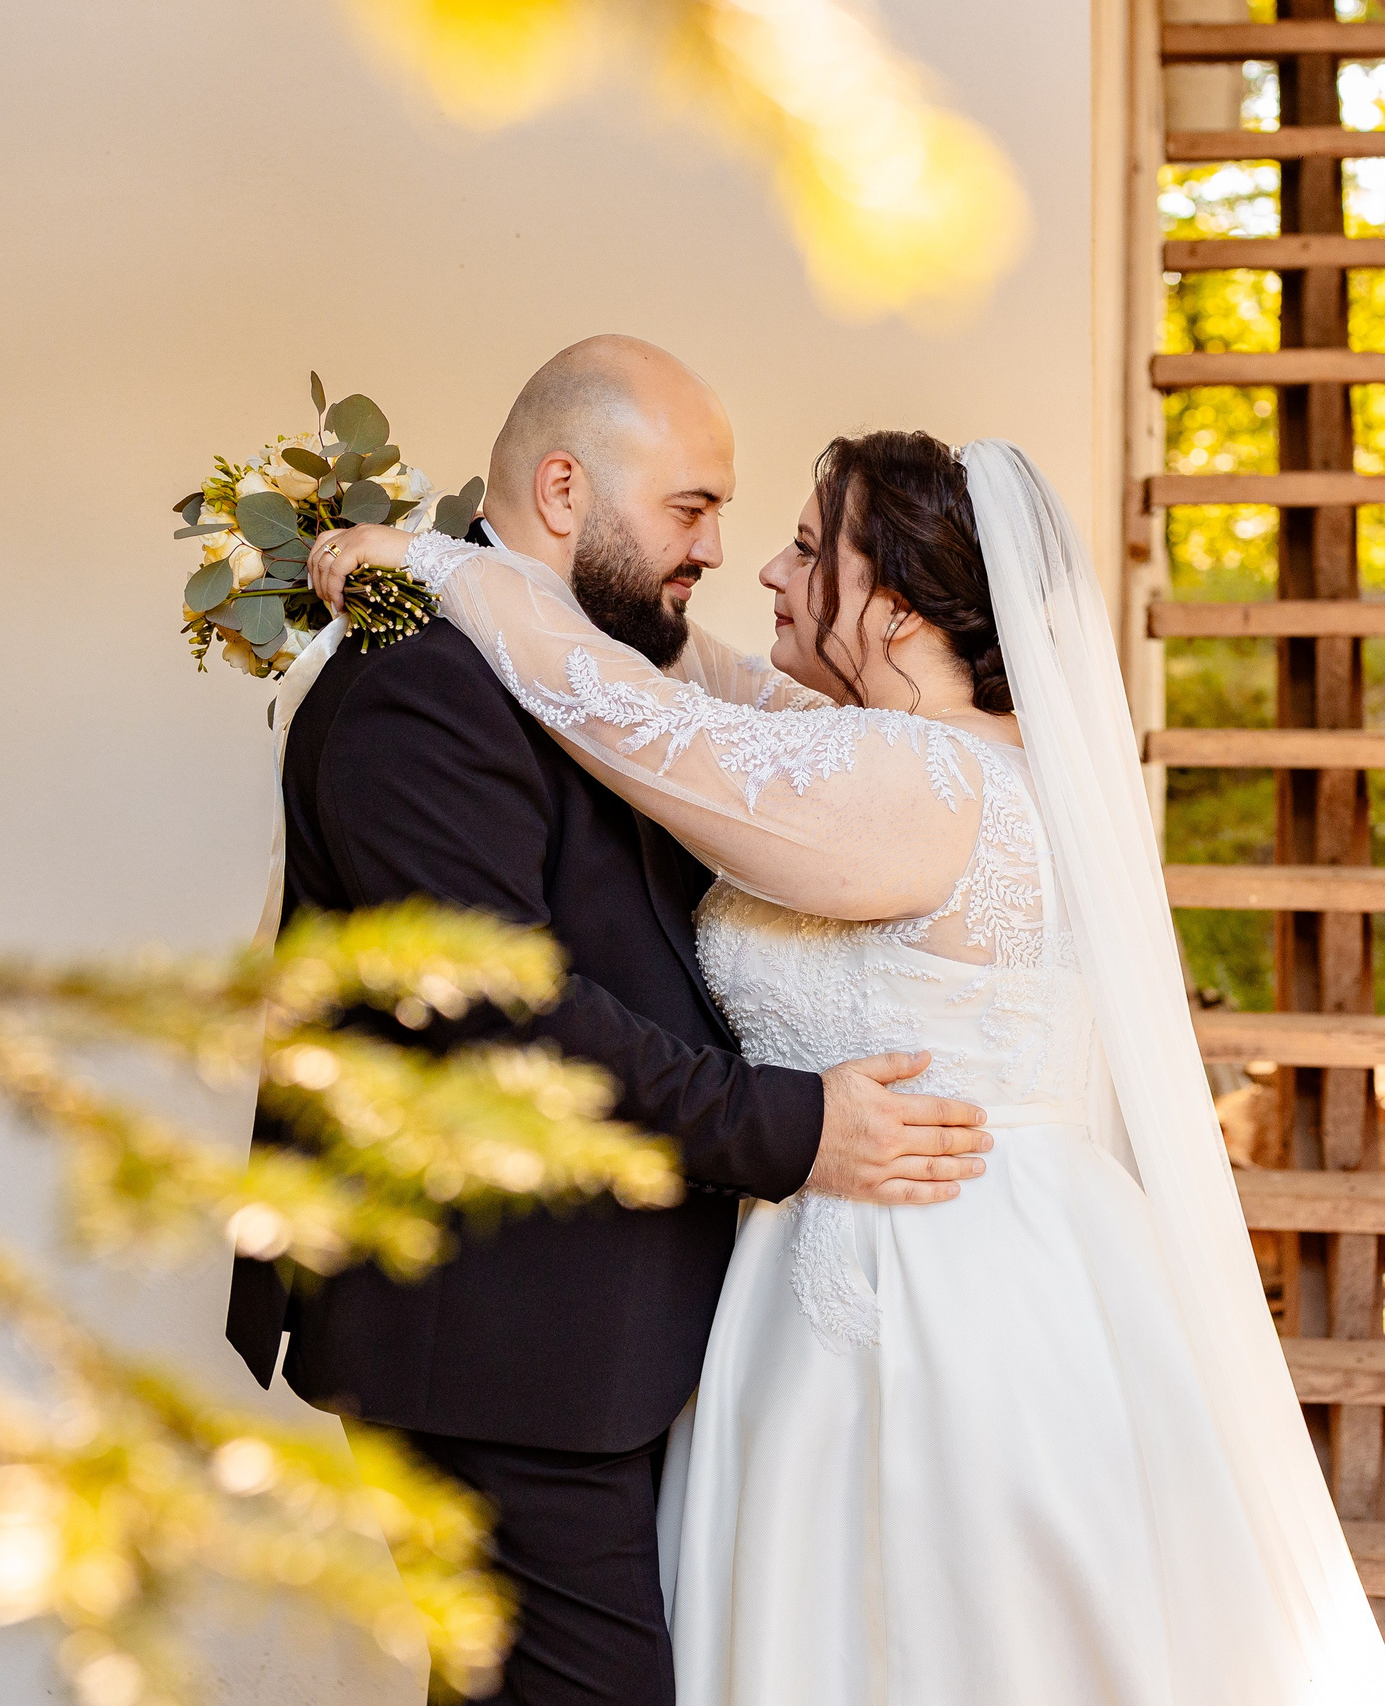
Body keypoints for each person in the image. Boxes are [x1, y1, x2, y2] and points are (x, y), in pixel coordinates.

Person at [311, 410, 1385, 1703]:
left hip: (924, 1289)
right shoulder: (971, 761)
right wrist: (585, 586)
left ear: (890, 608)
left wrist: (442, 566)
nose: (768, 572)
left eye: (804, 549)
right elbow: (708, 687)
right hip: (966, 1250)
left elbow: (627, 716)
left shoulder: (902, 780)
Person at [229, 336, 993, 1706]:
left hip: (607, 1336)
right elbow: (502, 1019)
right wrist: (796, 1128)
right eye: (691, 509)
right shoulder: (418, 680)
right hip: (487, 1335)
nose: (717, 550)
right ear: (566, 491)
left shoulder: (599, 672)